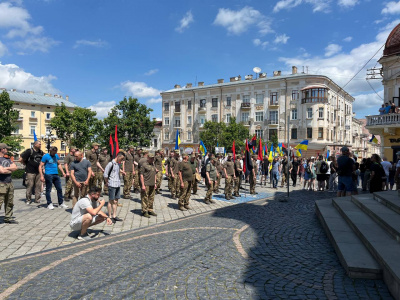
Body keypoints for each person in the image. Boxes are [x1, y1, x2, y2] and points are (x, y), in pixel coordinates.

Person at [104, 151, 126, 222]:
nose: (122, 160)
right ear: (118, 156)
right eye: (121, 159)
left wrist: (122, 171)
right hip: (112, 184)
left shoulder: (117, 164)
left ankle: (114, 215)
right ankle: (110, 216)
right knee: (111, 201)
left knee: (116, 201)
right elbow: (105, 174)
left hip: (117, 184)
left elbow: (117, 170)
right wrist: (107, 182)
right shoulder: (110, 164)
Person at [20, 140, 44, 205]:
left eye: (40, 144)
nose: (40, 145)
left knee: (38, 186)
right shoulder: (29, 151)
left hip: (38, 172)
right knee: (29, 186)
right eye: (39, 144)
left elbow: (42, 161)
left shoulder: (41, 152)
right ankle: (28, 199)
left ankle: (37, 199)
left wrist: (42, 169)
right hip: (30, 172)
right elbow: (22, 159)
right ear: (35, 145)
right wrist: (26, 165)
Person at [0, 143, 18, 224]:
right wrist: (10, 169)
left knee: (10, 201)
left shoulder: (7, 159)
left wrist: (6, 168)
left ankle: (8, 217)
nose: (7, 150)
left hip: (9, 182)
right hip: (1, 183)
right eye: (6, 148)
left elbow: (16, 167)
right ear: (2, 149)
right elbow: (2, 171)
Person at [140, 152, 157, 217]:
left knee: (151, 198)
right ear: (148, 158)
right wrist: (143, 185)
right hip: (146, 184)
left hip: (152, 184)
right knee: (145, 198)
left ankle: (150, 210)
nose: (152, 159)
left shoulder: (153, 165)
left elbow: (154, 174)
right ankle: (145, 211)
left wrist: (155, 183)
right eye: (151, 158)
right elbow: (141, 175)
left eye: (153, 158)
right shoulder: (144, 165)